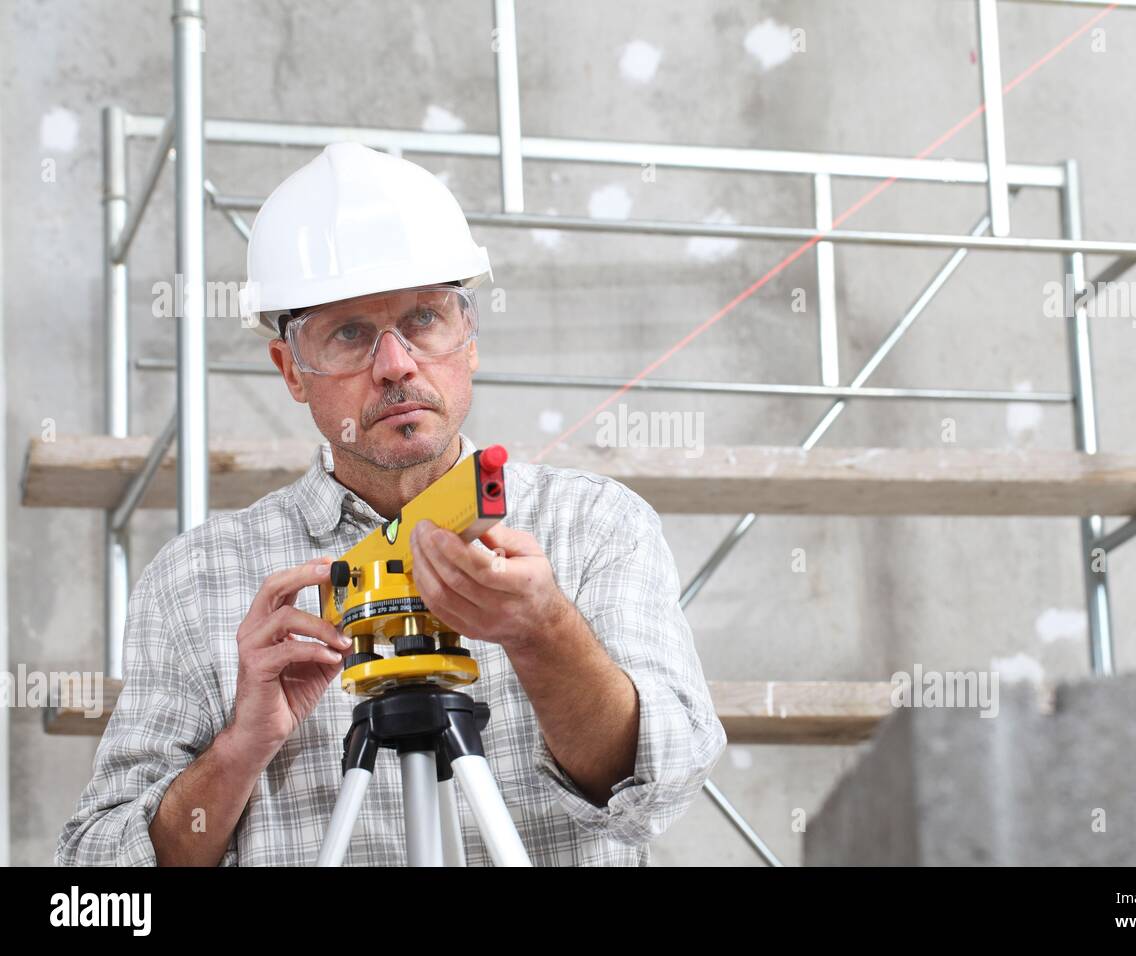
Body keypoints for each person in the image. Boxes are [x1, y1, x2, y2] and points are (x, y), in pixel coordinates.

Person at [56, 141, 726, 866]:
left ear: (469, 340)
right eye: (348, 333)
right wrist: (242, 747)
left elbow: (659, 789)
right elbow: (98, 881)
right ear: (292, 370)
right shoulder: (197, 578)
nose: (397, 364)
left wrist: (544, 633)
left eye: (425, 320)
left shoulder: (596, 528)